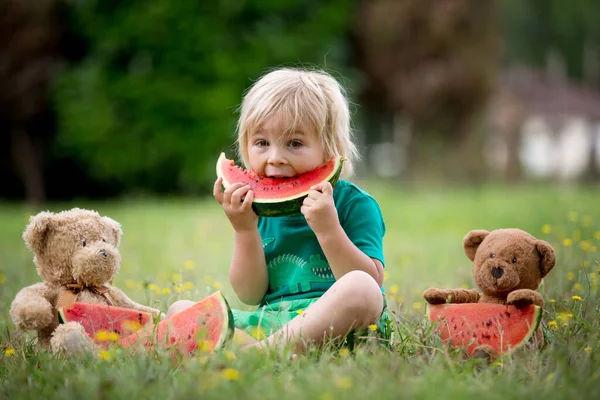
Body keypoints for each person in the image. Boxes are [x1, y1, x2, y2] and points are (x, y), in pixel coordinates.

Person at [167, 68, 391, 354]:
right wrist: (244, 229)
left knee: (362, 287)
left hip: (342, 325)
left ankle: (256, 354)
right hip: (272, 324)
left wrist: (328, 229)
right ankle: (266, 351)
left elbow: (372, 280)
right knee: (182, 310)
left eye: (294, 143)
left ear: (330, 149)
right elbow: (250, 294)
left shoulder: (355, 204)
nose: (275, 158)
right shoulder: (257, 209)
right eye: (262, 143)